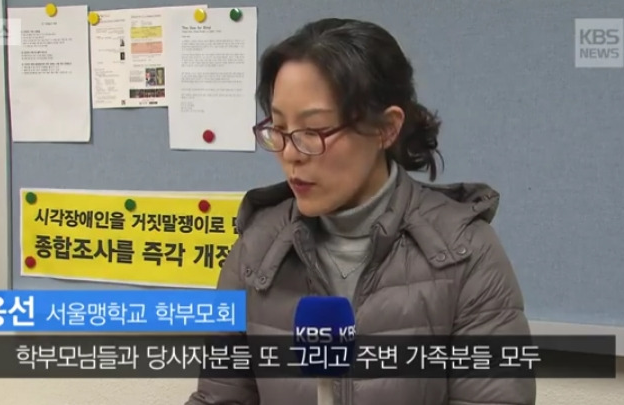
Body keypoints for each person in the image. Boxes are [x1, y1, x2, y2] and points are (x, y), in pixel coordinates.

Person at [186, 18, 535, 405]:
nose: (290, 154)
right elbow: (220, 397)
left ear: (386, 128)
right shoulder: (255, 251)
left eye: (313, 131)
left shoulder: (465, 251)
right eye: (279, 129)